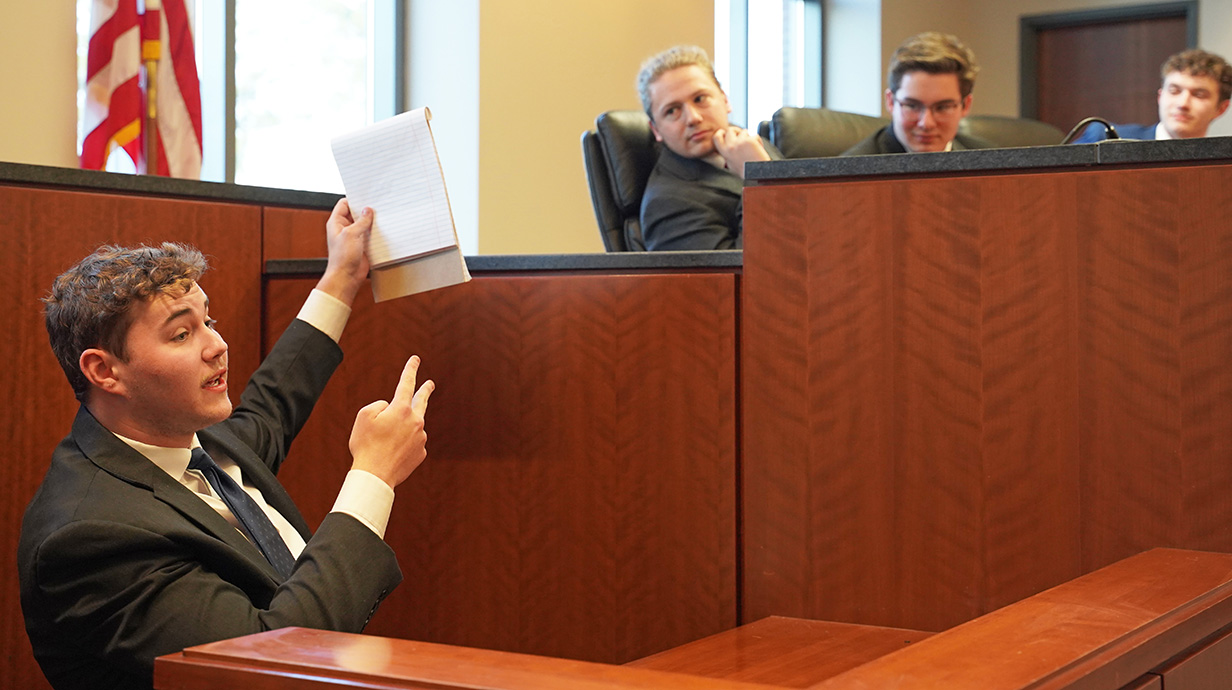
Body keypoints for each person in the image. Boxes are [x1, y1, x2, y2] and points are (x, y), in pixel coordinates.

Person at [18, 199, 434, 690]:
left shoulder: (196, 441)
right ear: (105, 371)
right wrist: (373, 475)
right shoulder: (88, 538)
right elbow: (277, 657)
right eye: (181, 334)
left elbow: (275, 399)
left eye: (208, 321)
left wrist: (341, 277)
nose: (217, 346)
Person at [637, 45, 782, 251]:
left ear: (724, 100)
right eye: (672, 111)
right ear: (656, 130)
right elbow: (745, 276)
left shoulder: (749, 141)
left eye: (700, 99)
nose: (693, 118)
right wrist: (759, 178)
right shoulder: (667, 205)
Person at [843, 32, 992, 155]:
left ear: (965, 106)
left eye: (942, 107)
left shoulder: (991, 161)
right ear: (890, 102)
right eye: (912, 106)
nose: (926, 123)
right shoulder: (852, 173)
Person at [1072, 49, 1231, 143]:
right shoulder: (1105, 140)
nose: (1183, 103)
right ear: (1160, 97)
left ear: (1221, 109)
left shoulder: (1224, 166)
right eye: (1174, 91)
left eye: (1199, 95)